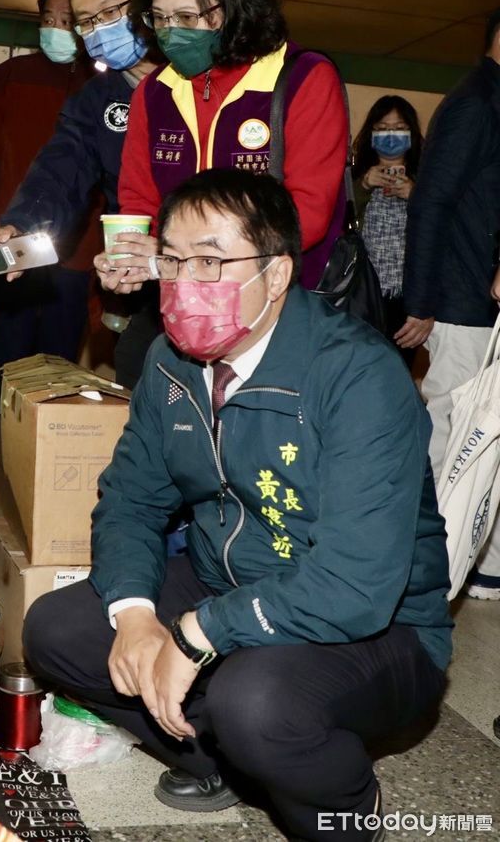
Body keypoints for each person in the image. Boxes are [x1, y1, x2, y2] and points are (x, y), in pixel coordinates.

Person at [23, 169, 451, 842]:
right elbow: (130, 499)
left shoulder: (357, 374)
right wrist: (136, 616)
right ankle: (221, 761)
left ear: (276, 275)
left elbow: (356, 585)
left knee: (254, 702)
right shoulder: (171, 363)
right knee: (56, 630)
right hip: (229, 576)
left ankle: (346, 805)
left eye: (210, 261)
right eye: (171, 260)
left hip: (382, 625)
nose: (183, 281)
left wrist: (199, 633)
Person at [92, 0, 349, 384]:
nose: (171, 32)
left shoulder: (303, 79)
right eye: (159, 18)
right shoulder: (154, 94)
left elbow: (307, 215)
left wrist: (181, 255)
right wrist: (131, 259)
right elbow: (140, 204)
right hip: (181, 312)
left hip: (274, 317)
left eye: (188, 17)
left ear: (233, 5)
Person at [0, 0, 161, 390]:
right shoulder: (96, 99)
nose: (99, 31)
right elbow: (61, 170)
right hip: (142, 288)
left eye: (109, 12)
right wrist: (19, 225)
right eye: (87, 22)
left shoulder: (197, 83)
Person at [0, 0, 96, 494]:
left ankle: (42, 489)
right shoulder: (11, 76)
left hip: (75, 260)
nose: (57, 29)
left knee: (56, 377)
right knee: (3, 371)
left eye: (68, 20)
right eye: (48, 20)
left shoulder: (102, 87)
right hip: (10, 250)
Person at [401, 10, 500, 599]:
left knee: (487, 435)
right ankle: (427, 572)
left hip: (479, 301)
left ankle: (484, 565)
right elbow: (431, 203)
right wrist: (421, 301)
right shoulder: (475, 104)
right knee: (457, 437)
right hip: (462, 301)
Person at [350, 95, 423, 366]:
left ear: (412, 135)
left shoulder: (427, 180)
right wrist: (363, 185)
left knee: (397, 367)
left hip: (408, 299)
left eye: (399, 128)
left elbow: (441, 231)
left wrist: (416, 196)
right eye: (382, 128)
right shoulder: (354, 176)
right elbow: (338, 221)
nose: (390, 135)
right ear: (370, 134)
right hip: (361, 294)